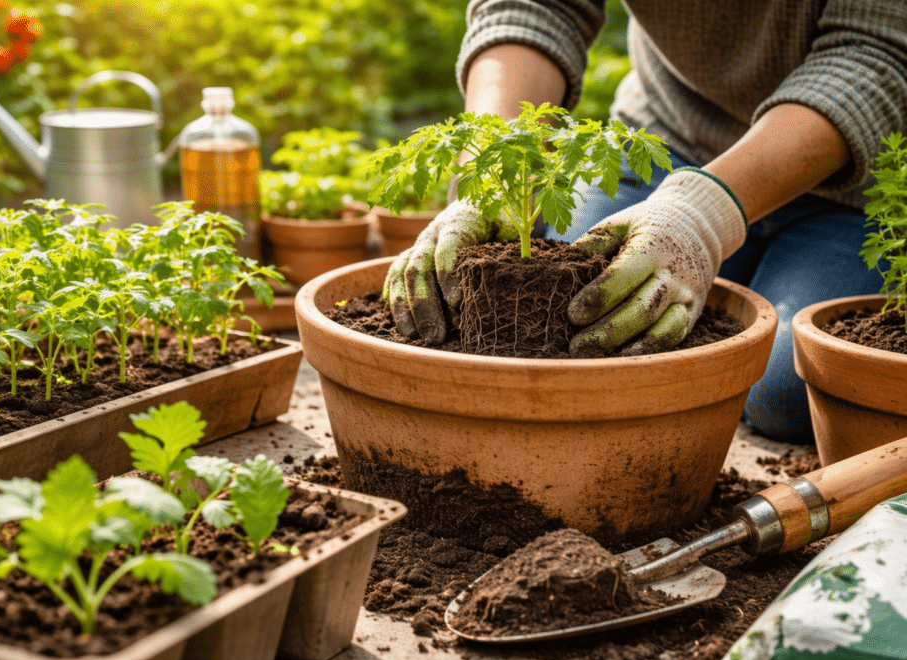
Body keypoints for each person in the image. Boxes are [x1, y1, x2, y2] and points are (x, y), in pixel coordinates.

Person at [385, 0, 907, 444]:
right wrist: (496, 163)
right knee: (572, 322)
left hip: (866, 182)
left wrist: (701, 215)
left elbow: (877, 55)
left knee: (793, 394)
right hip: (671, 139)